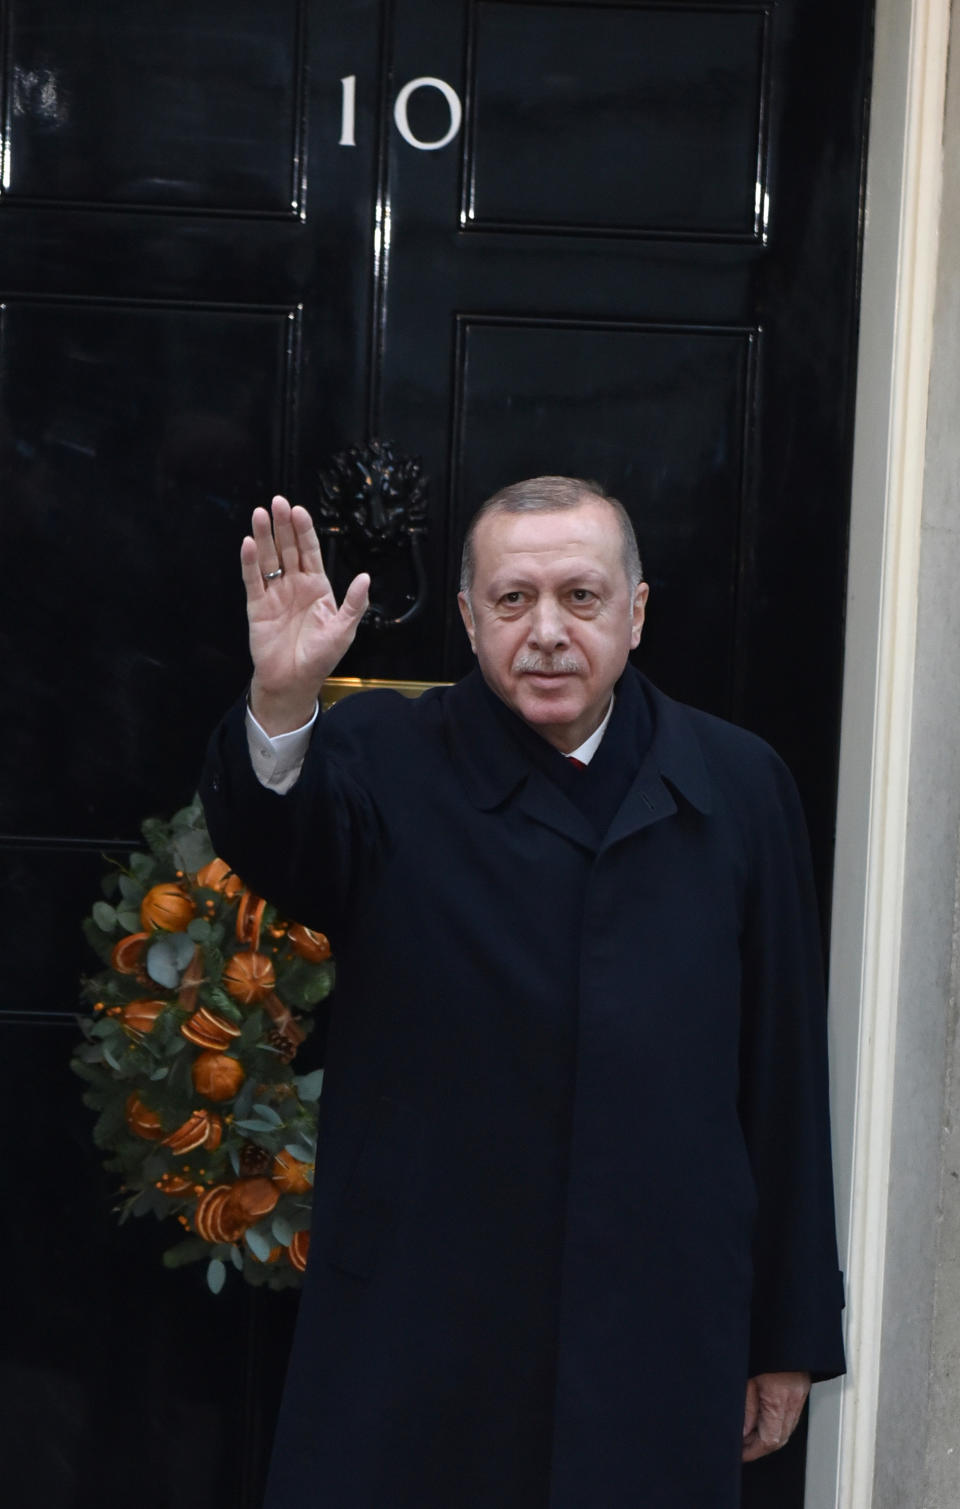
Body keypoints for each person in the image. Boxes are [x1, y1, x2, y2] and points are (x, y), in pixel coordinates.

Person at [201, 477, 845, 1509]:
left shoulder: (740, 783)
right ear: (467, 618)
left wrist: (788, 1337)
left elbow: (780, 1080)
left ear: (636, 612)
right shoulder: (377, 759)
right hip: (420, 1319)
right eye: (512, 601)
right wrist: (282, 704)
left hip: (660, 1323)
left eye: (580, 598)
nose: (546, 631)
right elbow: (277, 843)